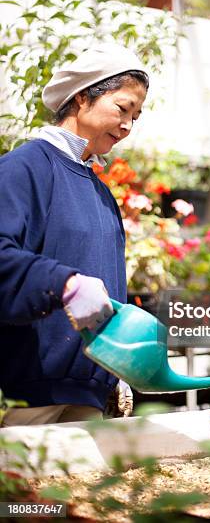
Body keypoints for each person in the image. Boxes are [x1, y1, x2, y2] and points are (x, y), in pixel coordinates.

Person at [0, 44, 149, 426]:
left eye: (137, 115)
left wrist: (114, 371)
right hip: (30, 393)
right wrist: (64, 284)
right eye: (122, 108)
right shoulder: (25, 168)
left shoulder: (101, 192)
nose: (128, 126)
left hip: (89, 392)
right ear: (82, 97)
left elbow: (108, 289)